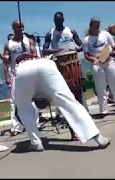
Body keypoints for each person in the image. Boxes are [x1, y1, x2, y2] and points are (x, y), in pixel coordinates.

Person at [8, 20, 111, 151]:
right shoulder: (23, 42)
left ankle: (36, 143)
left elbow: (19, 112)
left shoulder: (22, 43)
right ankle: (98, 137)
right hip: (46, 65)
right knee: (69, 101)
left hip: (22, 70)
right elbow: (34, 54)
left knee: (23, 108)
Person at [42, 12, 86, 140]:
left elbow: (81, 45)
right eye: (56, 21)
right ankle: (73, 131)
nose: (58, 23)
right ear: (54, 21)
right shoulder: (50, 33)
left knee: (77, 96)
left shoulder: (71, 31)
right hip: (61, 64)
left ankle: (82, 127)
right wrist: (56, 51)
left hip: (73, 62)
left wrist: (77, 49)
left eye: (60, 21)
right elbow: (44, 50)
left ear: (63, 20)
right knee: (67, 96)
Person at [0, 22, 39, 136]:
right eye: (18, 27)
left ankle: (35, 123)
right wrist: (7, 75)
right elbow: (6, 61)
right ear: (13, 28)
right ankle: (18, 126)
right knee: (15, 101)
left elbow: (35, 55)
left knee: (32, 99)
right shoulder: (9, 44)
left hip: (29, 72)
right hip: (15, 74)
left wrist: (28, 56)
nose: (21, 29)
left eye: (22, 27)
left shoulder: (29, 41)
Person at [83, 17, 115, 114]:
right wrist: (95, 59)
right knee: (100, 88)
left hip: (109, 60)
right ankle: (103, 110)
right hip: (97, 63)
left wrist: (108, 54)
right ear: (91, 25)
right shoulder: (86, 39)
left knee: (114, 85)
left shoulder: (105, 35)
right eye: (95, 24)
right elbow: (86, 55)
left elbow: (114, 47)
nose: (97, 26)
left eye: (98, 24)